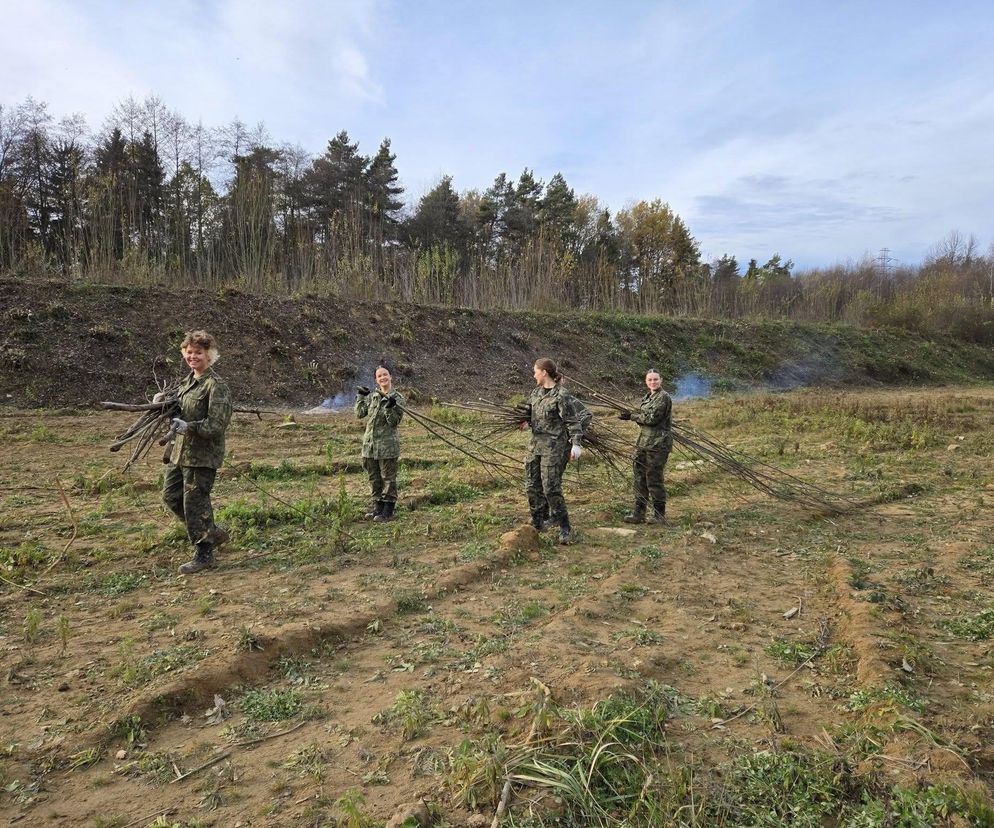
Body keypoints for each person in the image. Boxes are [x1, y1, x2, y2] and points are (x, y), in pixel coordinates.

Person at [162, 330, 233, 574]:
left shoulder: (216, 386)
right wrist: (163, 404)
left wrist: (188, 427)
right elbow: (178, 413)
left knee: (194, 503)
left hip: (202, 455)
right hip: (180, 452)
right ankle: (211, 532)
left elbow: (216, 425)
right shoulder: (187, 383)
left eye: (198, 353)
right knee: (171, 497)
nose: (193, 357)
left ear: (209, 355)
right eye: (189, 352)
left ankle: (205, 554)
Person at [518, 358, 591, 544]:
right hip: (535, 446)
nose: (533, 374)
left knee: (551, 486)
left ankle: (564, 526)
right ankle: (538, 521)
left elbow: (572, 422)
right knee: (532, 486)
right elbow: (530, 415)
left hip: (554, 447)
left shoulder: (562, 395)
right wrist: (525, 423)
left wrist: (576, 444)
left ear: (544, 372)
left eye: (535, 371)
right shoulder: (535, 393)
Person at [619, 368, 672, 524]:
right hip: (644, 443)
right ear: (646, 381)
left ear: (661, 380)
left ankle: (659, 515)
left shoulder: (663, 397)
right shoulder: (649, 397)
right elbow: (644, 416)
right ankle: (639, 513)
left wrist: (632, 417)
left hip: (658, 444)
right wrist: (631, 415)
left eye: (655, 379)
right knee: (640, 478)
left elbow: (652, 419)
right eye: (649, 380)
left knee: (653, 478)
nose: (652, 382)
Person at [355, 365, 405, 522]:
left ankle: (388, 510)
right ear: (376, 380)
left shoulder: (397, 398)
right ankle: (377, 508)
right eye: (379, 376)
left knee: (388, 478)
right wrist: (361, 396)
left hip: (387, 446)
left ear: (390, 377)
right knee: (374, 478)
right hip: (370, 446)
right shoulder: (373, 397)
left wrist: (390, 408)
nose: (383, 378)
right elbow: (359, 413)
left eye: (385, 375)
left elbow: (393, 423)